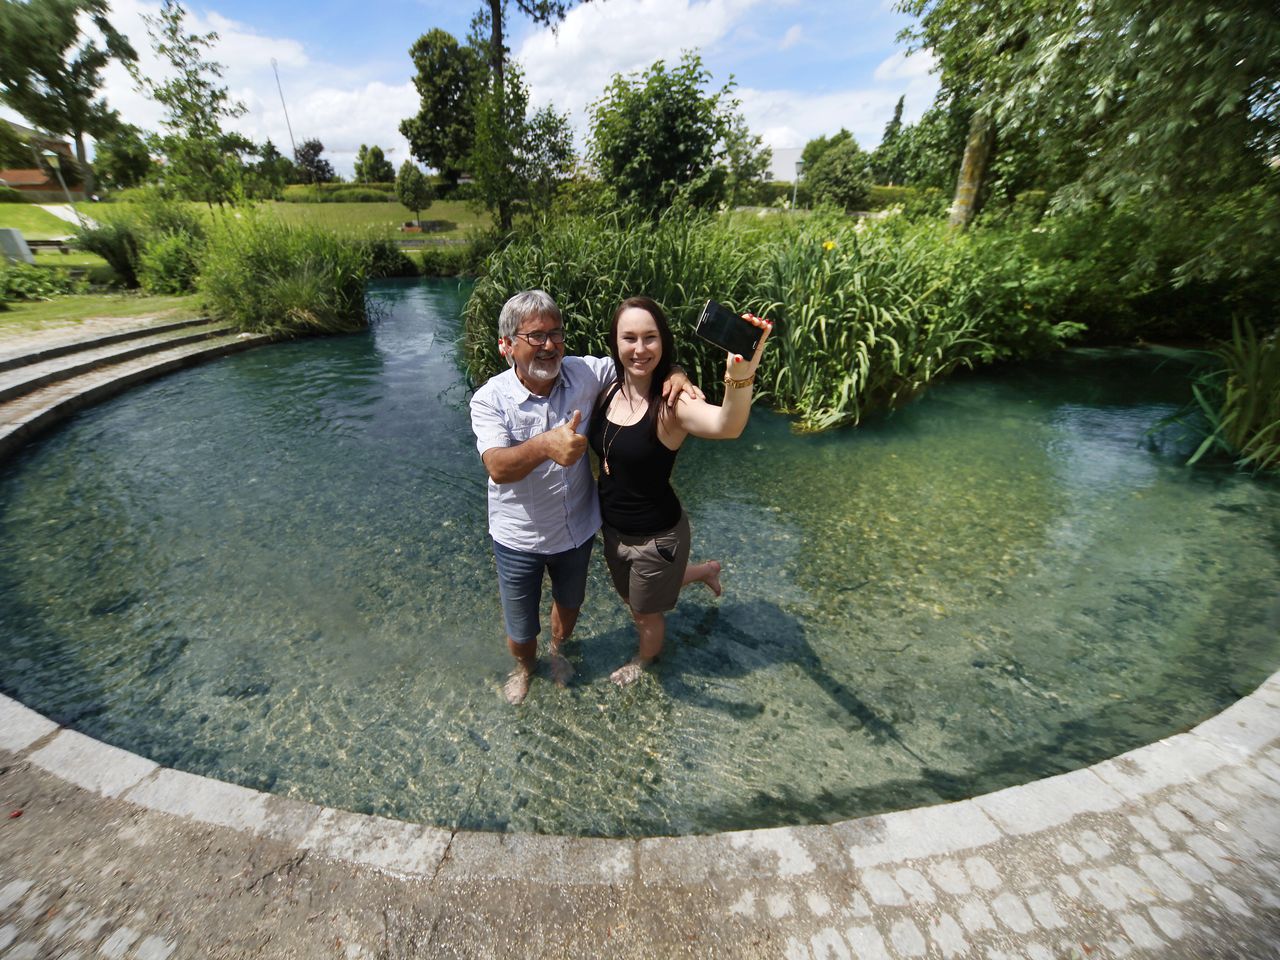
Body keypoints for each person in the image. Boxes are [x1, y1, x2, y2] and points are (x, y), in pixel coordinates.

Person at [468, 290, 702, 704]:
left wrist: (677, 373)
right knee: (521, 630)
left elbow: (640, 357)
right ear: (506, 346)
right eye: (535, 336)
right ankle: (524, 667)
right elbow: (498, 468)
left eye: (555, 333)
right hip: (518, 536)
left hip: (576, 532)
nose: (549, 345)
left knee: (570, 605)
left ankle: (557, 651)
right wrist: (546, 446)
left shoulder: (585, 373)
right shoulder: (489, 400)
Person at [587, 296, 772, 685]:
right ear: (615, 342)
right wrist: (676, 369)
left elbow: (727, 425)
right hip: (614, 530)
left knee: (644, 613)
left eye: (650, 338)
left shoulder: (673, 403)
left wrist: (740, 374)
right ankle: (706, 571)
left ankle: (645, 661)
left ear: (663, 341)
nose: (639, 349)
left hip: (656, 537)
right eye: (630, 338)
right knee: (633, 596)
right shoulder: (606, 389)